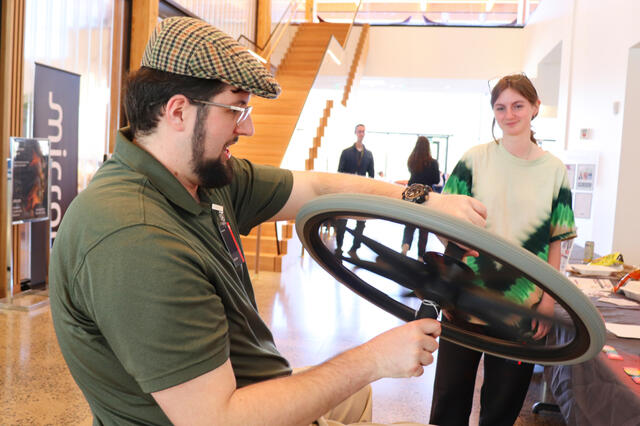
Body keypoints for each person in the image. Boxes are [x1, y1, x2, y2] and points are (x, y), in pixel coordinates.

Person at [49, 17, 487, 426]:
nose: (249, 128)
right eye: (236, 109)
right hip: (230, 411)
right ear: (178, 111)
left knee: (358, 397)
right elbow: (216, 418)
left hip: (253, 382)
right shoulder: (135, 238)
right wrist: (374, 358)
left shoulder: (199, 177)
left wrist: (423, 200)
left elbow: (315, 189)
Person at [429, 73, 577, 426]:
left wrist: (548, 298)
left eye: (517, 106)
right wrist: (456, 261)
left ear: (535, 108)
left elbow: (557, 239)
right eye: (500, 107)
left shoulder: (554, 170)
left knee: (502, 404)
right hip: (465, 299)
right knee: (450, 397)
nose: (509, 114)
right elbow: (441, 221)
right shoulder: (474, 159)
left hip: (522, 308)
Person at [334, 124, 375, 256]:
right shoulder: (346, 152)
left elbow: (372, 175)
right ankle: (339, 246)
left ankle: (355, 247)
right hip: (347, 191)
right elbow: (339, 173)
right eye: (359, 131)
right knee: (342, 221)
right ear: (355, 133)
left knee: (361, 222)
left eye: (363, 131)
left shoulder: (369, 154)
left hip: (362, 193)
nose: (361, 134)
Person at [400, 136, 441, 259]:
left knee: (409, 223)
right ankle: (420, 256)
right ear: (428, 147)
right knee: (424, 228)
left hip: (412, 194)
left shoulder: (412, 160)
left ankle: (405, 245)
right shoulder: (433, 163)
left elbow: (412, 176)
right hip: (426, 196)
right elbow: (436, 180)